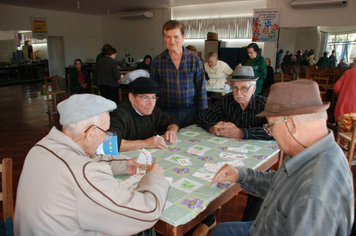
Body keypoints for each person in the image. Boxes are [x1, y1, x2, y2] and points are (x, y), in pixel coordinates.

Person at [211, 79, 354, 236]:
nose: (270, 133)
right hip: (266, 226)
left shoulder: (315, 194)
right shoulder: (309, 150)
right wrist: (240, 175)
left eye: (270, 126)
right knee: (220, 231)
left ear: (291, 124)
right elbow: (280, 184)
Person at [14, 94, 170, 235]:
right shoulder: (84, 172)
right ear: (90, 133)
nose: (105, 139)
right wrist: (152, 178)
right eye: (106, 132)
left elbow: (86, 159)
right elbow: (146, 213)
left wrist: (124, 164)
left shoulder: (40, 147)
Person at [150, 20, 207, 128]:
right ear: (163, 37)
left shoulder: (195, 60)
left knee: (191, 142)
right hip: (165, 113)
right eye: (168, 37)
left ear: (183, 37)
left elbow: (201, 90)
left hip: (190, 113)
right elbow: (152, 91)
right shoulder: (157, 61)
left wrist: (203, 116)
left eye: (176, 37)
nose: (172, 41)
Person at [110, 70, 180, 151]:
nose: (151, 103)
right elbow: (110, 144)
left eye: (153, 98)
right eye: (145, 98)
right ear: (132, 98)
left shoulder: (153, 112)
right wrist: (145, 143)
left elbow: (173, 121)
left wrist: (172, 130)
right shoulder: (121, 115)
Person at [197, 66, 272, 140]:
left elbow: (276, 131)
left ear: (254, 88)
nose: (238, 92)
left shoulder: (265, 105)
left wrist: (241, 133)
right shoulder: (226, 100)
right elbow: (203, 116)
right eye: (235, 87)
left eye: (244, 88)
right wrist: (212, 127)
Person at [334, 66, 356, 158]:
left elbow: (336, 88)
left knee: (344, 139)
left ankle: (343, 157)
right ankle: (353, 156)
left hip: (345, 111)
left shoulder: (349, 72)